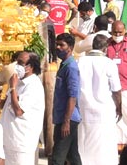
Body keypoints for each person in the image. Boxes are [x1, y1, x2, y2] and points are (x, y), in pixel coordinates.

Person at [77, 35, 122, 165]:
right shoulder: (109, 63)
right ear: (105, 47)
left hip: (84, 107)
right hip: (104, 109)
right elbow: (116, 90)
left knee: (84, 140)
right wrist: (119, 107)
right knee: (104, 145)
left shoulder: (80, 61)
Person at [0, 52, 42, 165]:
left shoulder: (33, 85)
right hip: (8, 140)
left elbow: (18, 111)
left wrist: (12, 87)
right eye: (17, 62)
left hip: (21, 143)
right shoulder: (18, 81)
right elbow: (5, 105)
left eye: (21, 63)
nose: (17, 65)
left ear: (30, 67)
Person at [50, 35, 81, 165]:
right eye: (57, 44)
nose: (58, 48)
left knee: (57, 157)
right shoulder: (64, 65)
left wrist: (66, 122)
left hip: (67, 119)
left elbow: (72, 96)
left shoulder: (71, 68)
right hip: (63, 118)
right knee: (72, 156)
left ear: (70, 48)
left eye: (61, 45)